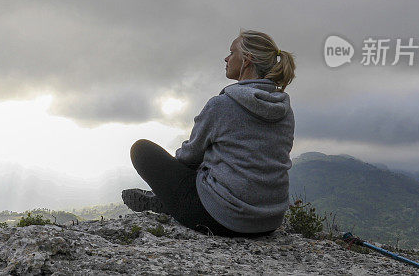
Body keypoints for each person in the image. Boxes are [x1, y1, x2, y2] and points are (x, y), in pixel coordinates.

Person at [123, 29, 296, 237]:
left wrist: (176, 180)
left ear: (247, 60)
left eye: (232, 53)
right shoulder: (285, 110)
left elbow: (189, 156)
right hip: (270, 221)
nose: (226, 58)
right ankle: (169, 197)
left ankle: (166, 202)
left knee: (141, 149)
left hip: (223, 219)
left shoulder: (222, 105)